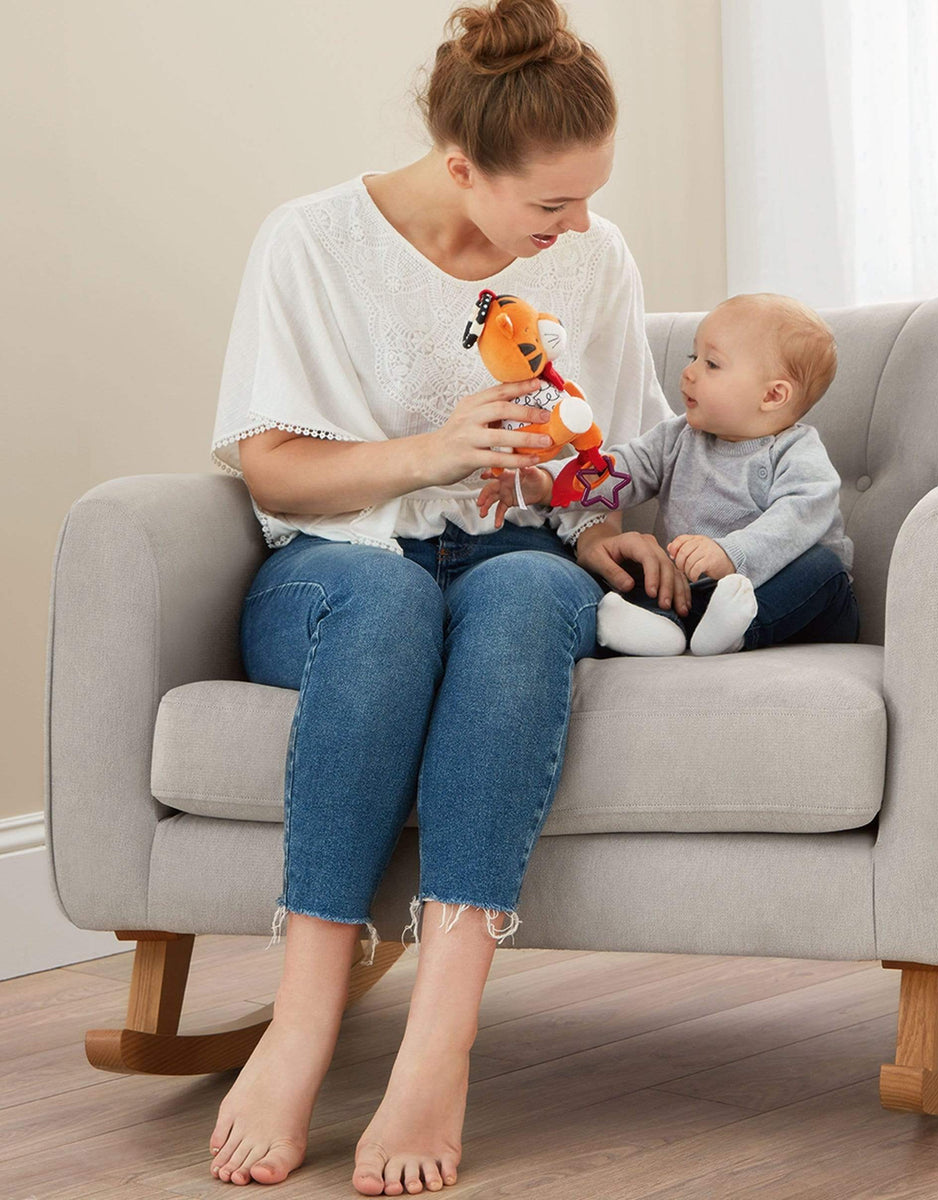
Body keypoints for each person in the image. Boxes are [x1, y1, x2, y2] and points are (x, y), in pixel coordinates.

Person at [207, 0, 679, 1193]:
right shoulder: (312, 241)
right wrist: (433, 451)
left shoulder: (594, 253)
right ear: (463, 166)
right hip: (337, 567)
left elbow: (598, 471)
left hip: (513, 562)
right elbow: (272, 468)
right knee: (387, 602)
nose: (576, 226)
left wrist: (600, 527)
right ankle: (301, 1022)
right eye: (550, 205)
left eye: (588, 197)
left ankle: (441, 1037)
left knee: (522, 595)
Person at [479, 292, 859, 657]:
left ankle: (740, 631)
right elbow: (618, 469)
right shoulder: (679, 436)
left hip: (797, 599)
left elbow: (800, 516)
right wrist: (547, 484)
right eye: (694, 356)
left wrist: (731, 554)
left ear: (773, 396)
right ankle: (664, 629)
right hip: (702, 595)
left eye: (711, 364)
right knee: (656, 571)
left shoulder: (796, 450)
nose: (689, 372)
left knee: (821, 567)